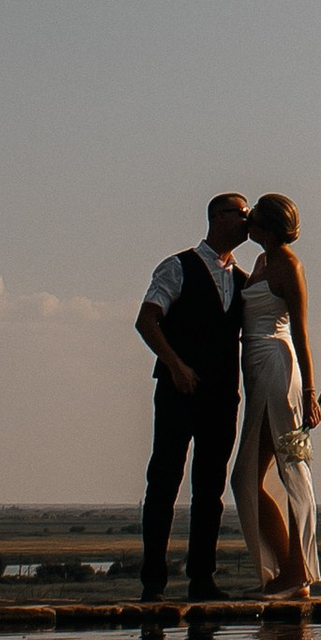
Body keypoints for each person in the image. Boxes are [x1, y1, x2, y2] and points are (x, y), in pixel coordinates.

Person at [135, 193, 252, 602]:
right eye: (242, 214)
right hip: (177, 391)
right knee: (164, 482)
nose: (247, 220)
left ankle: (202, 578)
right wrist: (175, 365)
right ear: (218, 218)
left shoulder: (243, 280)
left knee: (209, 489)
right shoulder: (178, 267)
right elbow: (147, 320)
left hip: (222, 396)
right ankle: (153, 581)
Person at [233, 192, 321, 597]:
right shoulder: (260, 262)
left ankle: (294, 571)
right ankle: (290, 571)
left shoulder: (288, 266)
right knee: (254, 475)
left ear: (266, 227)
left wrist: (309, 391)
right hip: (254, 366)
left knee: (266, 472)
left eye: (252, 220)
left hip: (276, 366)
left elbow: (301, 332)